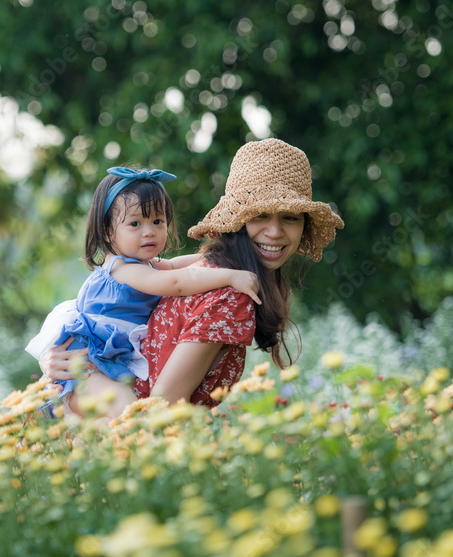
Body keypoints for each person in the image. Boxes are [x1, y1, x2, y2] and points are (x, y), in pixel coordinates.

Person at [38, 138, 344, 412]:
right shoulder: (228, 293)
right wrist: (49, 353)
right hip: (124, 440)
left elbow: (172, 270)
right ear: (236, 222)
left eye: (290, 217)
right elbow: (163, 408)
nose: (275, 232)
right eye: (260, 215)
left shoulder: (202, 270)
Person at [26, 166, 262, 418]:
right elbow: (176, 282)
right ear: (107, 231)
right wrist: (230, 276)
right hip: (89, 367)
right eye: (135, 223)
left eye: (157, 221)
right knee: (129, 414)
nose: (149, 231)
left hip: (106, 364)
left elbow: (175, 265)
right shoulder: (122, 268)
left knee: (112, 423)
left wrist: (215, 255)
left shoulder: (144, 265)